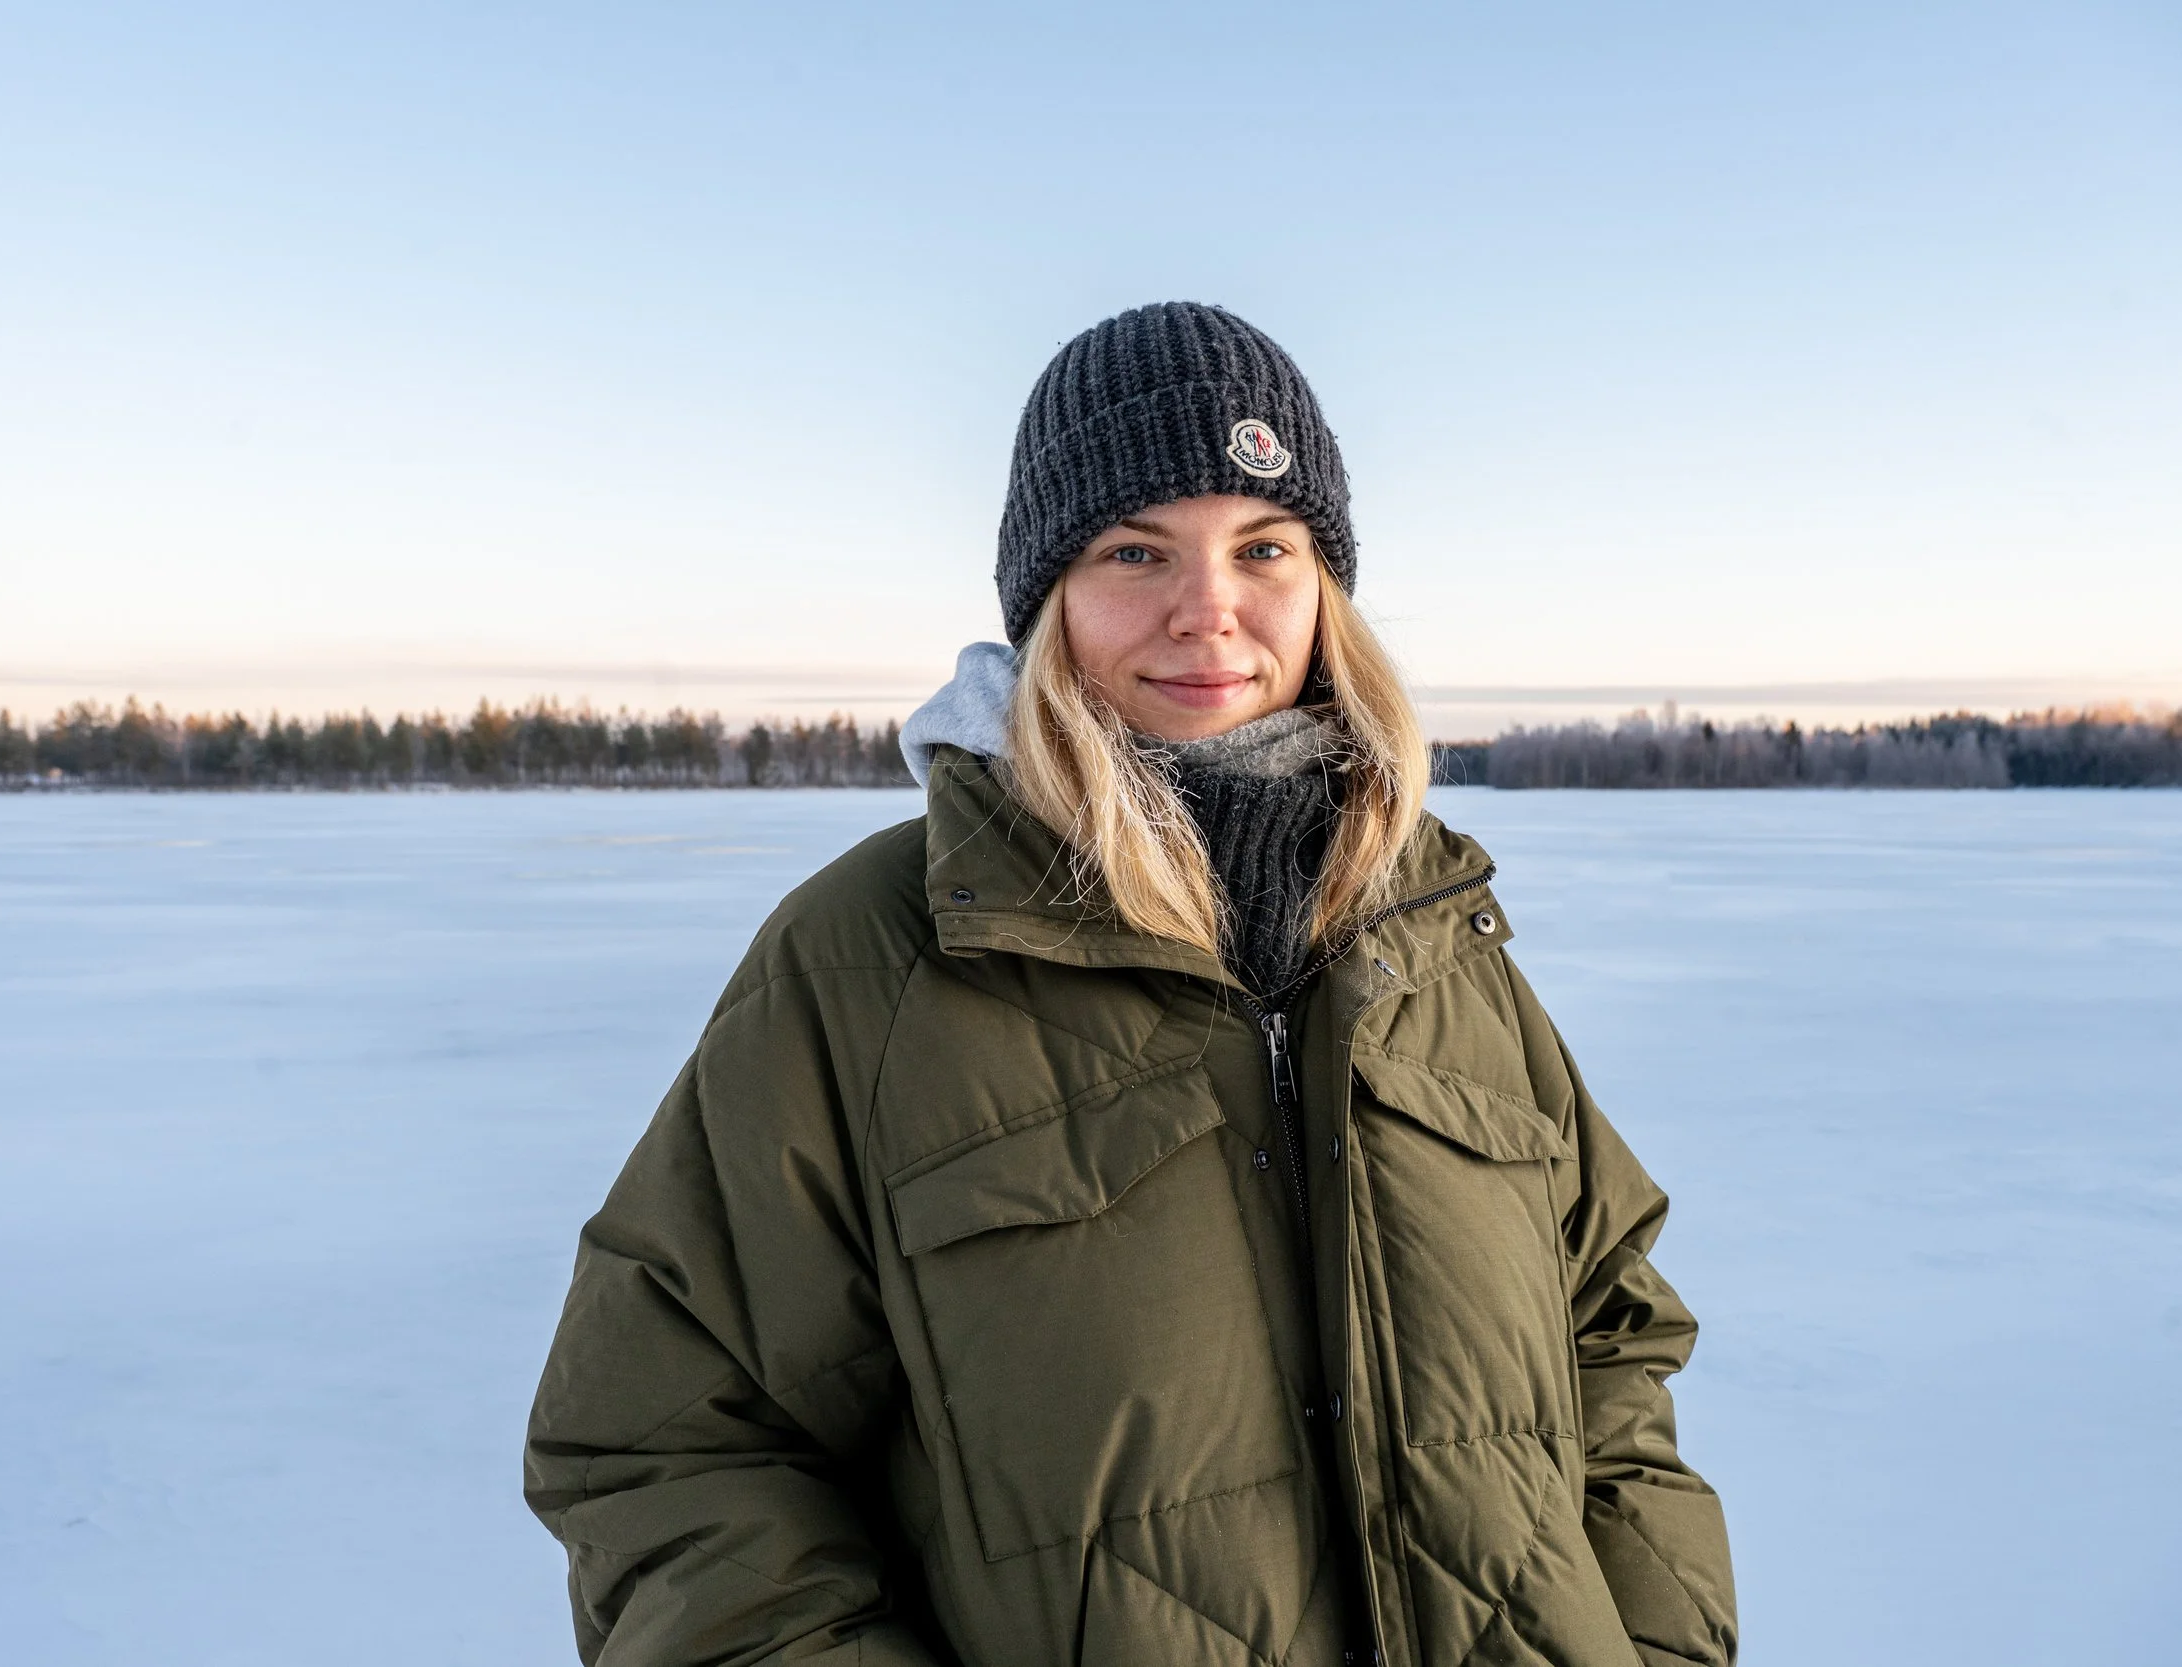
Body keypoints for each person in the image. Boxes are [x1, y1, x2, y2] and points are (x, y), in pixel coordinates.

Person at [526, 302, 1736, 1666]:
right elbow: (665, 1439)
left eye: (1262, 547)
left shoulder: (1430, 935)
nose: (1208, 609)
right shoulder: (873, 957)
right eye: (1134, 550)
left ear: (1325, 590)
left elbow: (1613, 1329)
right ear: (1048, 598)